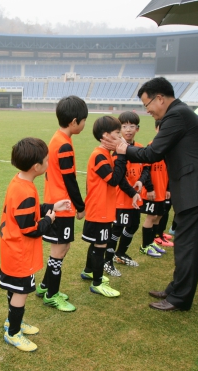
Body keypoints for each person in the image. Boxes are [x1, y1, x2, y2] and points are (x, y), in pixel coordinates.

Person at [103, 77, 198, 312]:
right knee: (185, 244)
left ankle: (179, 298)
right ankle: (175, 289)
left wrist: (122, 148)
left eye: (147, 104)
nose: (147, 110)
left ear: (160, 98)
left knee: (189, 246)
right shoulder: (179, 113)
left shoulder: (176, 115)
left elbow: (152, 153)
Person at [0, 137, 71, 352]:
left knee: (15, 290)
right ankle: (13, 333)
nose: (49, 163)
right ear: (36, 166)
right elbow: (29, 228)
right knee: (20, 292)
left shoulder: (19, 182)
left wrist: (51, 206)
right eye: (47, 160)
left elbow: (28, 210)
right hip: (19, 253)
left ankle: (13, 323)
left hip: (12, 250)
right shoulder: (26, 191)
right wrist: (49, 220)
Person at [35, 95, 88, 312]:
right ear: (74, 121)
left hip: (57, 202)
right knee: (59, 250)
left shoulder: (58, 138)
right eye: (84, 120)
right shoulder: (63, 144)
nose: (85, 124)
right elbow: (70, 179)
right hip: (62, 205)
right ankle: (52, 295)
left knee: (61, 248)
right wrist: (81, 205)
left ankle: (46, 286)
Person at [81, 116, 126, 295]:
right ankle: (98, 283)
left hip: (102, 208)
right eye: (117, 134)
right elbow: (114, 180)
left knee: (97, 243)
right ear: (106, 135)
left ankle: (89, 271)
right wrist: (121, 155)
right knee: (100, 245)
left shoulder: (104, 154)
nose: (121, 138)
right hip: (99, 209)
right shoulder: (99, 155)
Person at [107, 111, 145, 270]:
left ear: (138, 128)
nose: (128, 129)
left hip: (136, 197)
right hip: (122, 198)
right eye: (124, 126)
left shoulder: (140, 148)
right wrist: (132, 192)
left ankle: (120, 253)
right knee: (117, 228)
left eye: (132, 126)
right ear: (119, 129)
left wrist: (142, 181)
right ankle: (107, 260)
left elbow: (147, 168)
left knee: (134, 224)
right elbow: (119, 178)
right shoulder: (117, 150)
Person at [139, 120, 171, 259]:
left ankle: (151, 242)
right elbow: (145, 170)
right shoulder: (151, 147)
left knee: (158, 216)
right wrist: (150, 188)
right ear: (157, 129)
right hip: (152, 191)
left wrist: (168, 188)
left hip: (163, 190)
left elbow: (170, 171)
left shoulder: (169, 149)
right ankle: (145, 246)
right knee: (151, 217)